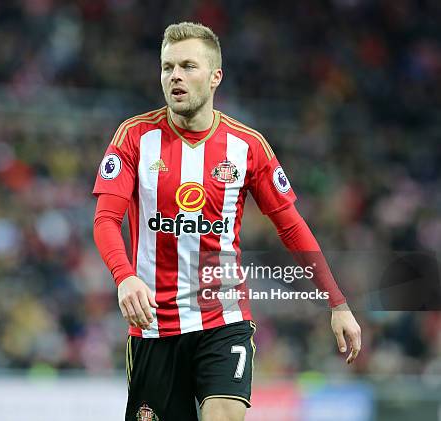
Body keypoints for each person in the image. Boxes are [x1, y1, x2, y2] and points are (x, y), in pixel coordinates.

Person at [93, 22, 361, 421]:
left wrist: (336, 302)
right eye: (167, 67)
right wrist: (124, 276)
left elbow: (291, 227)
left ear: (216, 76)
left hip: (224, 319)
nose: (175, 77)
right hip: (153, 327)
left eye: (188, 66)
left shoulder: (247, 146)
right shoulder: (134, 137)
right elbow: (105, 219)